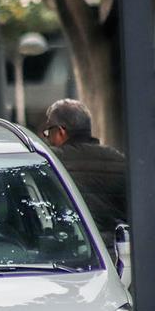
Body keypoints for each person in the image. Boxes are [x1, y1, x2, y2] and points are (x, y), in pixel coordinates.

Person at [41, 99, 128, 246]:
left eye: (49, 132)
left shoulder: (52, 161)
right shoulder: (119, 160)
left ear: (61, 131)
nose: (48, 138)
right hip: (115, 250)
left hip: (75, 250)